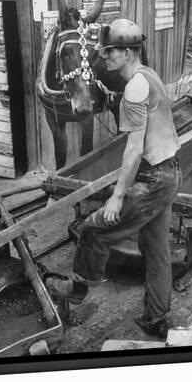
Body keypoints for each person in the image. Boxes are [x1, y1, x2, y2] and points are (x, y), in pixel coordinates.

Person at [46, 18, 182, 338]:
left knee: (93, 229)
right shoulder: (147, 76)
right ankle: (155, 319)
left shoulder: (135, 86)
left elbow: (134, 149)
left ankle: (77, 289)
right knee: (157, 250)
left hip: (152, 179)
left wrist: (118, 195)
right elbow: (143, 114)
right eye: (103, 51)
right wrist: (108, 98)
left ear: (128, 52)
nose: (104, 57)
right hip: (170, 172)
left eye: (109, 52)